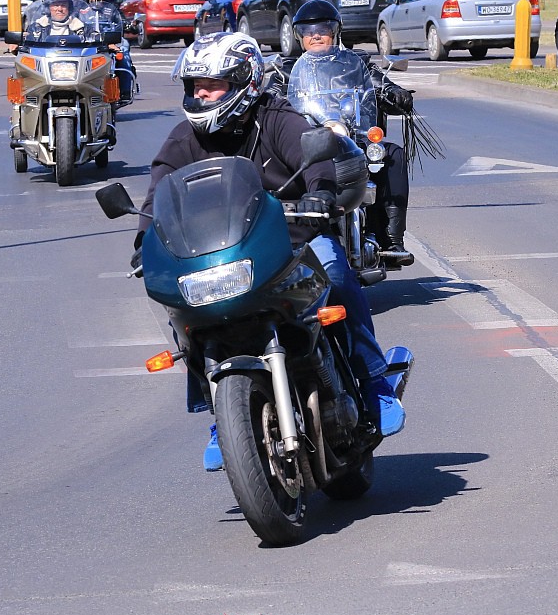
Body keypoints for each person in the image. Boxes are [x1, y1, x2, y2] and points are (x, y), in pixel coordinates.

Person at [136, 31, 405, 471]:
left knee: (336, 272)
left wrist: (320, 192)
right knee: (183, 312)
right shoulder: (183, 139)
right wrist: (143, 240)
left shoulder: (276, 118)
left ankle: (373, 380)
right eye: (195, 86)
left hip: (294, 235)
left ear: (244, 83)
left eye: (212, 85)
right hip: (222, 252)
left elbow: (315, 155)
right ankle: (221, 413)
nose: (201, 94)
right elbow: (158, 193)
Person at [287, 0, 424, 267]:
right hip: (307, 145)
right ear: (299, 36)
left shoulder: (356, 63)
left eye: (323, 29)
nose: (316, 35)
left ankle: (391, 240)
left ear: (335, 32)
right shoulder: (286, 70)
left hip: (353, 139)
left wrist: (393, 92)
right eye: (308, 31)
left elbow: (377, 82)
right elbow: (271, 95)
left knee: (392, 155)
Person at [82, 0, 136, 105]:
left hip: (108, 41)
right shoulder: (81, 9)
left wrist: (127, 26)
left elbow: (119, 22)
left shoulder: (111, 8)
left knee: (123, 56)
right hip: (86, 44)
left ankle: (125, 91)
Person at [24, 0, 89, 40]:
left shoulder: (82, 28)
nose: (60, 9)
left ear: (69, 7)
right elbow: (29, 47)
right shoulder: (36, 29)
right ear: (48, 8)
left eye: (63, 5)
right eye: (56, 5)